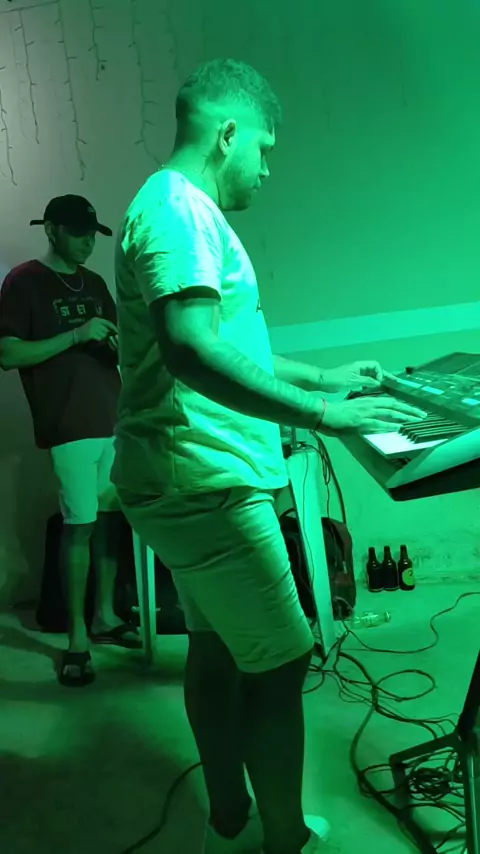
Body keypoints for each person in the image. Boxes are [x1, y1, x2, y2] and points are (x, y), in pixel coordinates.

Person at [112, 60, 426, 854]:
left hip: (181, 479)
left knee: (217, 648)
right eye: (265, 148)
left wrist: (320, 377)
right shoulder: (181, 212)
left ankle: (228, 817)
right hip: (208, 482)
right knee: (282, 665)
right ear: (228, 133)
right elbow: (191, 349)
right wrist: (323, 415)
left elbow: (223, 339)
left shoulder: (170, 205)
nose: (268, 168)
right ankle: (285, 839)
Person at [0, 195, 140, 688]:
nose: (86, 242)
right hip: (68, 423)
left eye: (91, 234)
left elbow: (119, 344)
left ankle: (105, 615)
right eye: (77, 232)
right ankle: (77, 637)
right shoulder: (24, 281)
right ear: (52, 230)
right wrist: (77, 335)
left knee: (109, 520)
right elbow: (8, 353)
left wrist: (116, 344)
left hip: (112, 416)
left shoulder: (95, 283)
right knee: (79, 524)